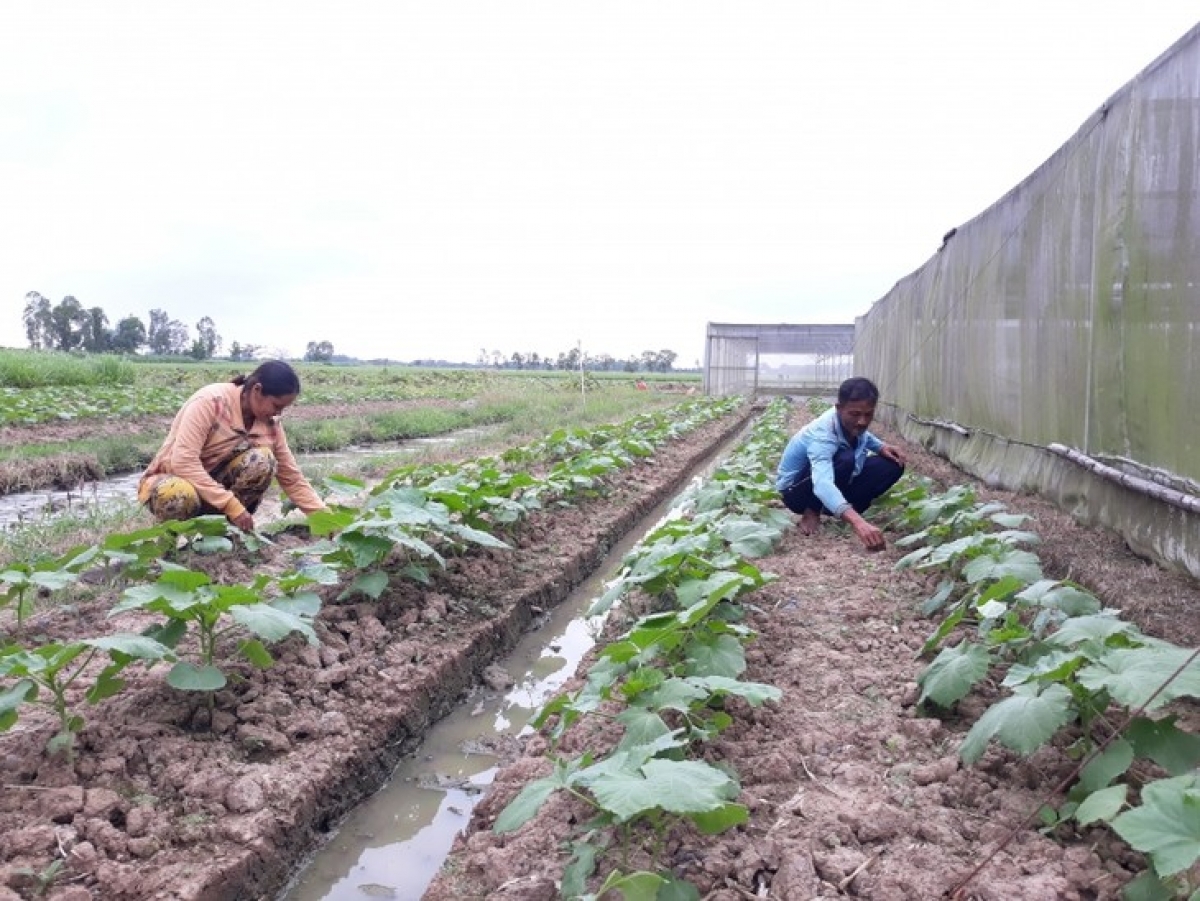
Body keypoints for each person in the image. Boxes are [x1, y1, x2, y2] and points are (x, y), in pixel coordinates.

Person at [138, 360, 327, 531]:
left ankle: (225, 535)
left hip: (215, 491)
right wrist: (231, 505)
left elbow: (291, 477)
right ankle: (170, 542)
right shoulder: (210, 402)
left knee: (263, 461)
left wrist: (327, 520)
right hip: (174, 481)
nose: (278, 414)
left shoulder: (270, 424)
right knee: (177, 493)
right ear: (257, 390)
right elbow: (183, 462)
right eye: (276, 406)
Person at [776, 376, 907, 550]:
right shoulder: (823, 433)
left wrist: (881, 447)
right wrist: (858, 523)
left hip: (835, 478)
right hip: (796, 492)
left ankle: (842, 508)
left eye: (868, 414)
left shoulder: (852, 425)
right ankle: (812, 511)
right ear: (839, 408)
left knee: (892, 464)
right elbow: (822, 483)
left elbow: (862, 435)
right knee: (845, 459)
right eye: (855, 414)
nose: (862, 421)